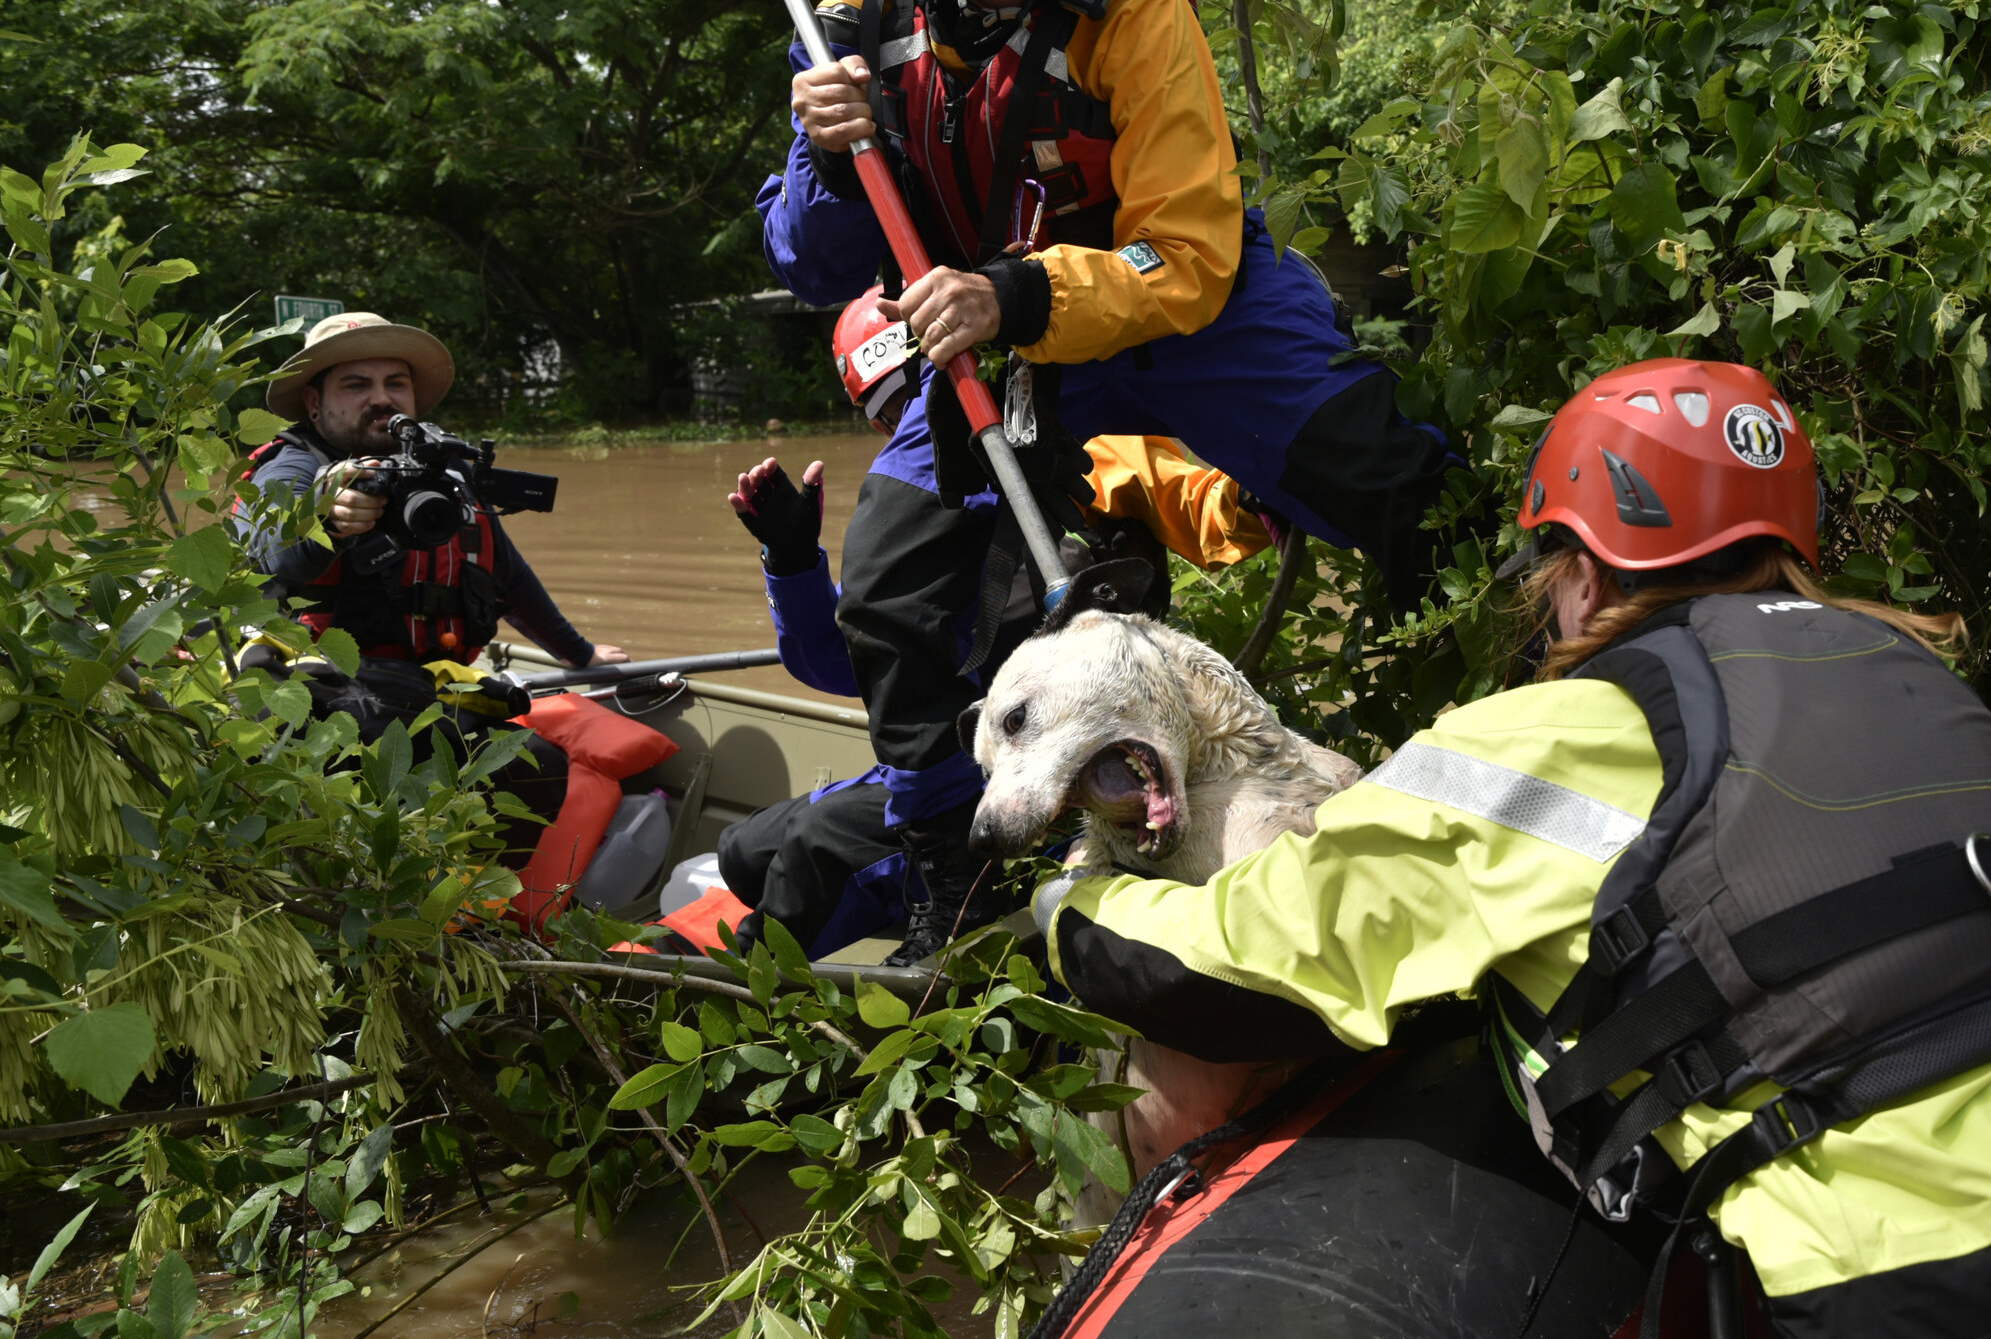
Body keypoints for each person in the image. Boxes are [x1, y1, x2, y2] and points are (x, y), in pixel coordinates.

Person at [1031, 358, 1991, 1339]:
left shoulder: (1572, 728)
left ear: (1582, 576)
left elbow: (1250, 958)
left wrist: (1074, 906)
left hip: (1959, 1283)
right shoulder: (1899, 666)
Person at [754, 0, 1459, 955]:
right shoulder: (851, 26)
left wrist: (1017, 295)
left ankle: (1468, 739)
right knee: (890, 589)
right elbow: (812, 262)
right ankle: (944, 878)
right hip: (1004, 336)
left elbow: (1188, 253)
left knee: (1402, 487)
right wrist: (821, 153)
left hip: (1182, 310)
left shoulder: (1131, 3)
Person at [714, 288, 1274, 964]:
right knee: (743, 851)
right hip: (966, 755)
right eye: (887, 410)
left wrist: (1255, 490)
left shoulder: (1078, 452)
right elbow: (845, 663)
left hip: (1057, 763)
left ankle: (772, 990)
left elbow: (1202, 502)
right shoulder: (913, 524)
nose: (908, 419)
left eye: (914, 393)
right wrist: (794, 562)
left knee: (815, 848)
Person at [235, 311, 628, 825]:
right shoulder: (293, 468)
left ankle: (466, 897)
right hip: (320, 699)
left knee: (542, 769)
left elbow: (506, 576)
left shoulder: (445, 473)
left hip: (421, 691)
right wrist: (325, 519)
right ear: (314, 402)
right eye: (357, 385)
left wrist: (580, 654)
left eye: (395, 383)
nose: (382, 398)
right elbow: (275, 548)